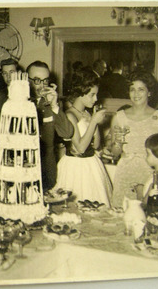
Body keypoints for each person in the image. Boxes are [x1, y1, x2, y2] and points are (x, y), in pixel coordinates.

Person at [108, 71, 158, 207]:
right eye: (132, 90)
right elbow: (115, 153)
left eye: (141, 89)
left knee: (148, 216)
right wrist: (117, 143)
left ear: (149, 92)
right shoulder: (119, 117)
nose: (136, 94)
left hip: (150, 174)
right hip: (125, 173)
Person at [55, 70, 112, 206]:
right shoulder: (70, 115)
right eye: (92, 95)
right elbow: (80, 148)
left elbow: (97, 145)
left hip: (91, 164)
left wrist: (94, 122)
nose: (96, 99)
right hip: (75, 166)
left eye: (96, 95)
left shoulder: (85, 113)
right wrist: (93, 122)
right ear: (80, 94)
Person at [26, 61, 74, 190]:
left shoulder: (51, 104)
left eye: (45, 81)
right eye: (37, 80)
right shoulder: (18, 102)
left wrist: (54, 106)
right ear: (27, 80)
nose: (42, 86)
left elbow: (67, 133)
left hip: (46, 169)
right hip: (23, 167)